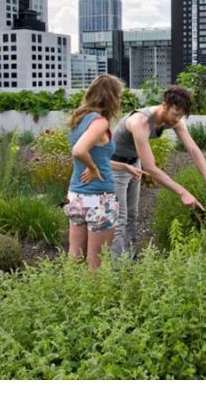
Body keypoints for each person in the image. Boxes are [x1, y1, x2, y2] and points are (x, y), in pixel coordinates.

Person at [110, 85, 206, 258]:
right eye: (175, 114)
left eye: (181, 116)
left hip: (133, 164)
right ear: (164, 105)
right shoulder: (140, 122)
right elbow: (151, 168)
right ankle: (114, 268)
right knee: (119, 219)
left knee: (132, 216)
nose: (177, 119)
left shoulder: (174, 120)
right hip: (115, 166)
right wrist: (183, 192)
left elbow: (193, 150)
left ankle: (130, 261)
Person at [64, 74, 141, 269]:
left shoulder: (79, 119)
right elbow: (79, 151)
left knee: (75, 257)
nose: (120, 100)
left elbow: (95, 156)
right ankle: (94, 292)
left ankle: (68, 289)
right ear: (111, 97)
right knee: (96, 265)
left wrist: (123, 167)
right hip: (99, 199)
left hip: (76, 197)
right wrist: (93, 168)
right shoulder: (99, 122)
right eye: (119, 95)